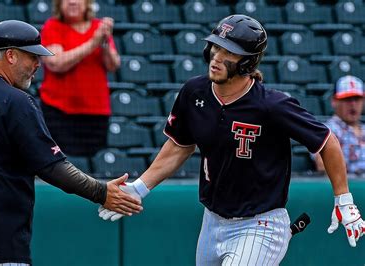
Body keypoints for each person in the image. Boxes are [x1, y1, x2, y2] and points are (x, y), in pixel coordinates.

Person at [98, 14, 365, 265]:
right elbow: (180, 145)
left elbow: (326, 141)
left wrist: (344, 199)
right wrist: (141, 187)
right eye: (215, 47)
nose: (216, 57)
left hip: (260, 224)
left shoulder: (272, 106)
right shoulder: (194, 91)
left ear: (248, 62)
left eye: (228, 52)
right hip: (212, 221)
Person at [0, 20, 141, 265]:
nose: (38, 64)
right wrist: (101, 192)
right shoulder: (16, 101)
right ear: (11, 55)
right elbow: (52, 167)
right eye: (32, 57)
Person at [38, 0, 120, 156]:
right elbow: (56, 63)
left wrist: (104, 43)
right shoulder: (53, 26)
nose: (72, 2)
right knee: (59, 165)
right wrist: (92, 43)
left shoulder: (98, 27)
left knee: (92, 167)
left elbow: (113, 65)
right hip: (59, 111)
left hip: (95, 111)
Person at [314, 75, 365, 175]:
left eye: (357, 99)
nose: (353, 104)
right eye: (347, 99)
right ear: (334, 101)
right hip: (347, 186)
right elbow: (322, 165)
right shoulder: (325, 131)